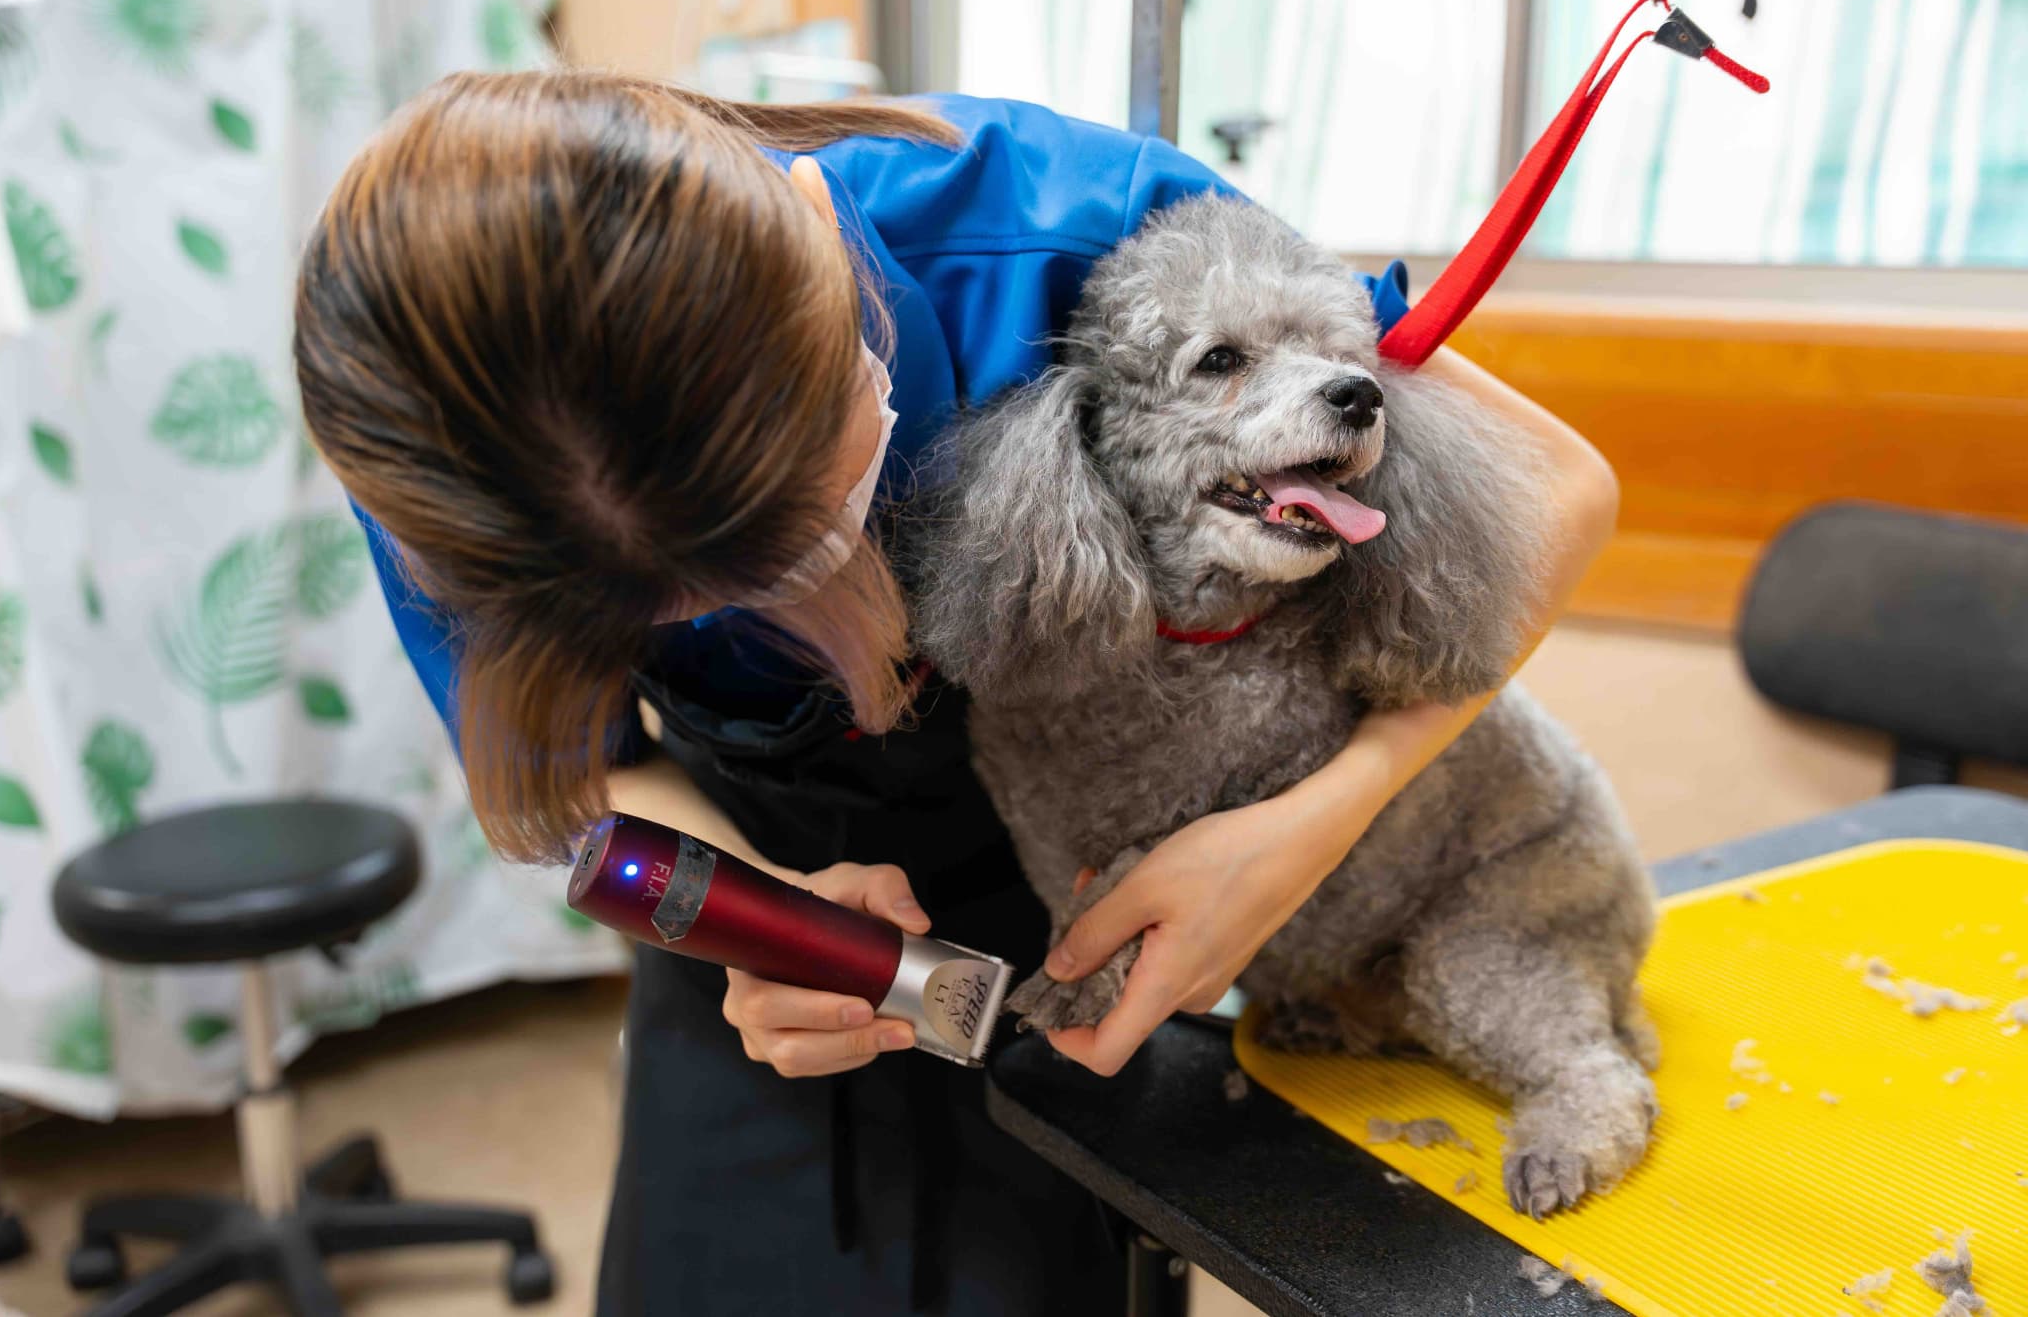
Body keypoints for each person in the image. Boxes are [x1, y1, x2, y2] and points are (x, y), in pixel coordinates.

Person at [293, 71, 1619, 1316]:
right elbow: (587, 768)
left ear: (824, 253)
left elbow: (1561, 488)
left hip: (1052, 875)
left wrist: (1306, 828)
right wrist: (756, 915)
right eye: (676, 612)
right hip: (758, 909)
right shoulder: (445, 458)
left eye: (801, 543)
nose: (807, 625)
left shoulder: (1074, 235)